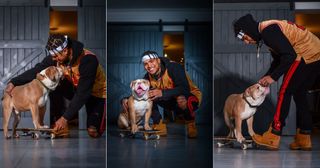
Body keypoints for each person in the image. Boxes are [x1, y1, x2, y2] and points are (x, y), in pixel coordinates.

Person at [233, 14, 320, 150]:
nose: (246, 41)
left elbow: (289, 56)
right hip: (315, 54)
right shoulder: (268, 31)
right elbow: (279, 59)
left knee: (285, 91)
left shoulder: (268, 31)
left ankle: (273, 135)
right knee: (299, 94)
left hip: (305, 53)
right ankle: (304, 136)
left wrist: (273, 78)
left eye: (245, 37)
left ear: (249, 30)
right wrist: (267, 76)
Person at [5, 34, 106, 138]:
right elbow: (36, 70)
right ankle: (60, 124)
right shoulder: (57, 57)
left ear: (65, 51)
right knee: (53, 84)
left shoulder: (88, 60)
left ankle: (67, 120)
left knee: (93, 131)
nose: (54, 59)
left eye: (56, 56)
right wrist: (13, 82)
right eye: (53, 56)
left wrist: (65, 118)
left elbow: (83, 93)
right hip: (75, 89)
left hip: (96, 94)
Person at [121, 51, 202, 138]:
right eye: (145, 64)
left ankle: (190, 123)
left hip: (190, 98)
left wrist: (162, 93)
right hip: (170, 101)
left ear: (158, 61)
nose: (149, 66)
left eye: (151, 61)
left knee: (181, 98)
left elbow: (184, 88)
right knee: (149, 96)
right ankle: (158, 124)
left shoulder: (174, 67)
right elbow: (142, 93)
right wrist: (126, 99)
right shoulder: (148, 77)